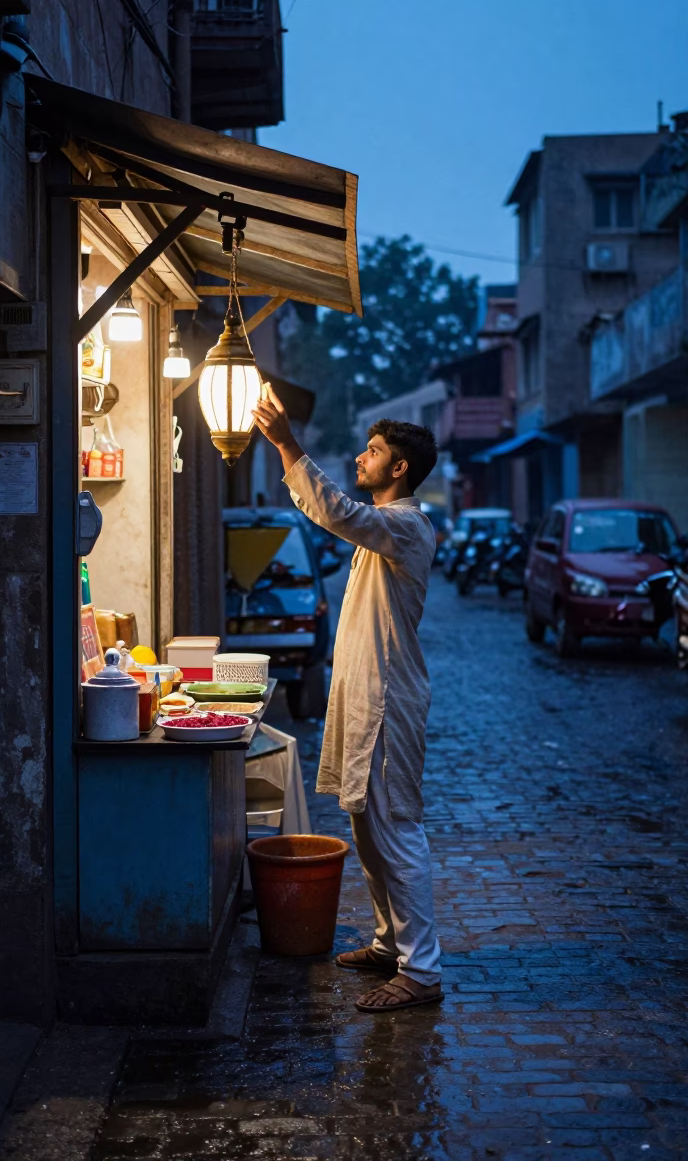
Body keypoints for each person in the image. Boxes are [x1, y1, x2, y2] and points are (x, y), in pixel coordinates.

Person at [253, 384, 442, 1013]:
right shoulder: (381, 531)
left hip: (388, 700)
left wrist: (288, 444)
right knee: (366, 826)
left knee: (396, 830)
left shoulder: (405, 525)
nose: (362, 457)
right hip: (364, 696)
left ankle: (422, 970)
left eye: (373, 450)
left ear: (400, 467)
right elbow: (342, 514)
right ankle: (391, 944)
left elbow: (335, 511)